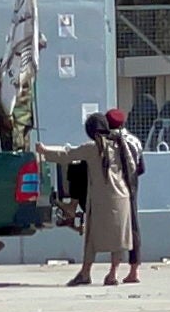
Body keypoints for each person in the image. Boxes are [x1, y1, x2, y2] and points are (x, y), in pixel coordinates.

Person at [38, 114, 134, 286]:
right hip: (122, 198)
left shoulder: (92, 148)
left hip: (100, 200)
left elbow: (67, 154)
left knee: (91, 238)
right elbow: (132, 167)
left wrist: (44, 151)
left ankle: (85, 273)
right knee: (118, 240)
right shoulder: (120, 145)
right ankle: (112, 274)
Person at [106, 107, 146, 284]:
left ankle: (113, 271)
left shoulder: (108, 142)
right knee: (133, 227)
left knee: (117, 228)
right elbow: (141, 168)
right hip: (132, 186)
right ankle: (134, 271)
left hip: (114, 187)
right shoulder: (135, 141)